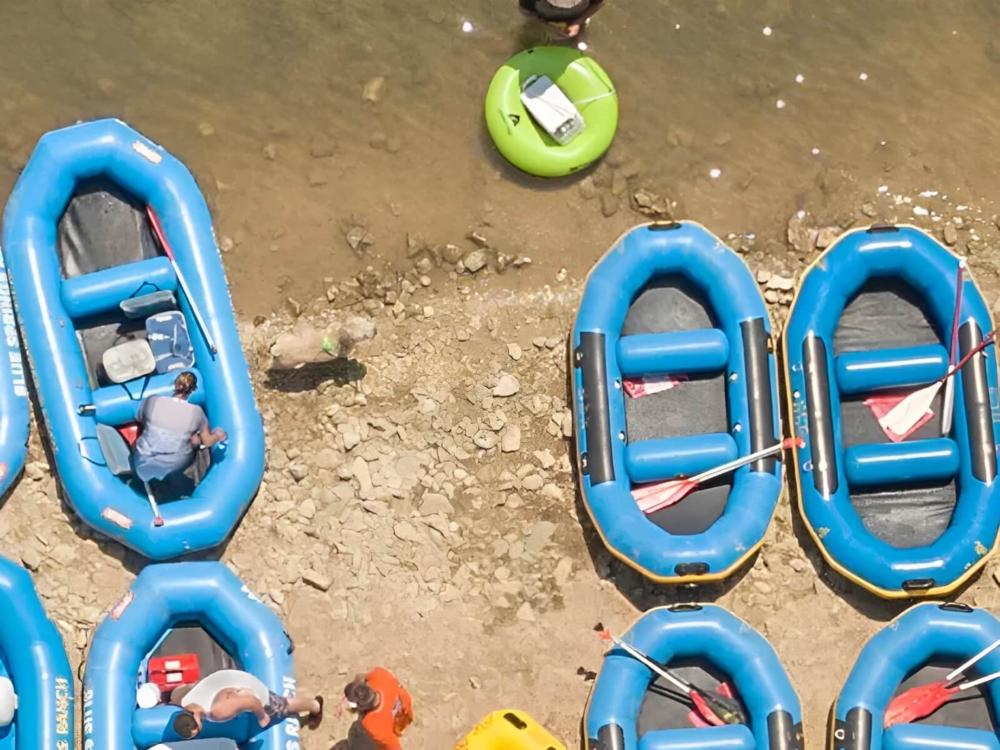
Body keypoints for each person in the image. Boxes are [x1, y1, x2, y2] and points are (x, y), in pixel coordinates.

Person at [169, 669, 323, 739]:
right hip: (226, 681)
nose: (197, 735)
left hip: (247, 690)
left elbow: (250, 701)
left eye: (196, 733)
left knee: (283, 706)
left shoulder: (218, 711)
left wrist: (262, 717)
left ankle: (315, 706)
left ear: (196, 719)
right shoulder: (182, 699)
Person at [133, 371, 226, 484]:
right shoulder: (197, 412)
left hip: (141, 459)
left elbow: (139, 418)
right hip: (174, 466)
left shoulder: (153, 400)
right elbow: (207, 441)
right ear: (193, 390)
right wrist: (218, 435)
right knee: (197, 443)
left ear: (175, 385)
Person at [343, 668, 413, 750]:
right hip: (405, 705)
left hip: (398, 724)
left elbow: (395, 747)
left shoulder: (372, 725)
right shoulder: (378, 674)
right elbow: (360, 676)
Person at [518, 0, 605, 38]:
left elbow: (597, 4)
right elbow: (526, 11)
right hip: (544, 18)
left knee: (578, 43)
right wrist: (546, 26)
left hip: (578, 16)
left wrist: (577, 22)